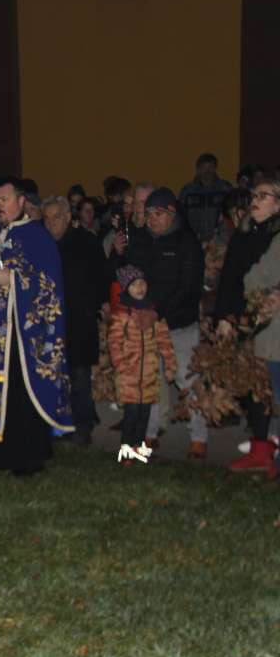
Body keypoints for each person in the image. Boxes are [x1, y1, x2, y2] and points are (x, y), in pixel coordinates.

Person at [0, 176, 73, 475]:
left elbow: (50, 285)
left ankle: (25, 459)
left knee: (19, 395)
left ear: (21, 201)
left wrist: (16, 280)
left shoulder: (37, 237)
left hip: (21, 337)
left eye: (4, 200)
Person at [114, 187, 207, 456]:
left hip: (179, 324)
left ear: (171, 213)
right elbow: (130, 276)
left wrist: (159, 312)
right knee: (151, 379)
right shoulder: (143, 240)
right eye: (148, 214)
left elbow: (188, 287)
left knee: (187, 379)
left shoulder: (187, 243)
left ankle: (198, 437)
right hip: (148, 324)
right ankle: (150, 434)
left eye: (157, 213)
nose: (151, 219)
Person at [214, 180, 280, 471]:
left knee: (271, 389)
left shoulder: (275, 237)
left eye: (263, 196)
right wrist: (224, 317)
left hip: (270, 324)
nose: (255, 200)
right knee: (250, 387)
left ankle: (270, 446)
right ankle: (260, 448)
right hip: (242, 321)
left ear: (277, 205)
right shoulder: (242, 235)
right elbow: (229, 279)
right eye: (254, 195)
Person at [42, 195, 107, 446]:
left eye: (56, 217)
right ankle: (58, 425)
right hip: (50, 322)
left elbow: (101, 277)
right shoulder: (42, 243)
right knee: (53, 376)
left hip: (79, 321)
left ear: (68, 217)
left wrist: (94, 305)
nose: (51, 223)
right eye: (47, 219)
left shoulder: (86, 242)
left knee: (79, 377)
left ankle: (83, 426)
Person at [108, 266, 177, 455]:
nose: (140, 288)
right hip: (129, 374)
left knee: (144, 414)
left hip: (149, 374)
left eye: (142, 283)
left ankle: (138, 448)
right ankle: (126, 450)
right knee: (131, 413)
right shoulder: (121, 315)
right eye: (134, 284)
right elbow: (114, 343)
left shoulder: (153, 314)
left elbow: (164, 341)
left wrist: (170, 365)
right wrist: (121, 365)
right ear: (126, 288)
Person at [179, 152, 232, 241]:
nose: (207, 171)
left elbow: (232, 216)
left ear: (215, 168)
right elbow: (180, 217)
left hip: (220, 240)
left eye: (210, 167)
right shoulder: (187, 192)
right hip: (194, 240)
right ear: (198, 169)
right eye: (204, 167)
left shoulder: (225, 189)